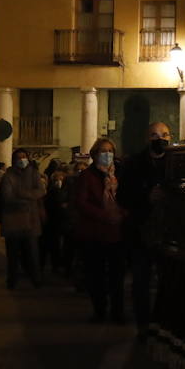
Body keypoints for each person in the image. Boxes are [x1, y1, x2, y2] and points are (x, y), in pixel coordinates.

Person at [117, 122, 173, 337]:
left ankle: (163, 324)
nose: (160, 139)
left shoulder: (174, 161)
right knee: (141, 280)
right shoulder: (133, 164)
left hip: (168, 232)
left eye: (165, 134)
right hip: (141, 231)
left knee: (167, 281)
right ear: (147, 139)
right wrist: (146, 197)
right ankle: (143, 324)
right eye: (154, 135)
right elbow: (123, 197)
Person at [72, 138, 127, 322]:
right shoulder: (86, 177)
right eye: (103, 151)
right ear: (95, 154)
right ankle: (100, 310)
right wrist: (104, 216)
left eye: (110, 150)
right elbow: (81, 203)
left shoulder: (118, 175)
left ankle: (118, 312)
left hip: (117, 234)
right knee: (96, 276)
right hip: (94, 234)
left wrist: (122, 213)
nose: (107, 154)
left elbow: (126, 198)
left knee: (117, 277)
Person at [0, 148, 46, 289]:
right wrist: (29, 198)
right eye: (18, 157)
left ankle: (36, 278)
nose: (21, 160)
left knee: (33, 253)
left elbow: (41, 191)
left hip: (31, 221)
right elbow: (7, 197)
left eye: (24, 156)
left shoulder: (34, 174)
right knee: (12, 254)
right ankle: (12, 279)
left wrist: (22, 194)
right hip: (13, 221)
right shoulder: (8, 176)